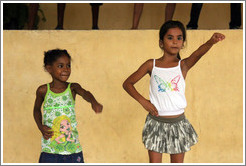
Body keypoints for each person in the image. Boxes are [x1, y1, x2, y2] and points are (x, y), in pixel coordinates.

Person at [123, 20, 225, 163]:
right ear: (161, 42)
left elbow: (197, 54)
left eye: (179, 38)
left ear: (183, 43)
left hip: (178, 124)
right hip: (155, 124)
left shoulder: (182, 66)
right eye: (170, 38)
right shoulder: (150, 65)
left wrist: (210, 42)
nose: (175, 41)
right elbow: (127, 84)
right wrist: (143, 101)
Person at [33, 49, 103, 163]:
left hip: (73, 151)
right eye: (60, 66)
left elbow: (85, 93)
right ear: (49, 68)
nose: (66, 69)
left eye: (68, 65)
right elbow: (36, 109)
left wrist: (93, 102)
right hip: (49, 150)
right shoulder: (43, 90)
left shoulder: (72, 88)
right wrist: (40, 126)